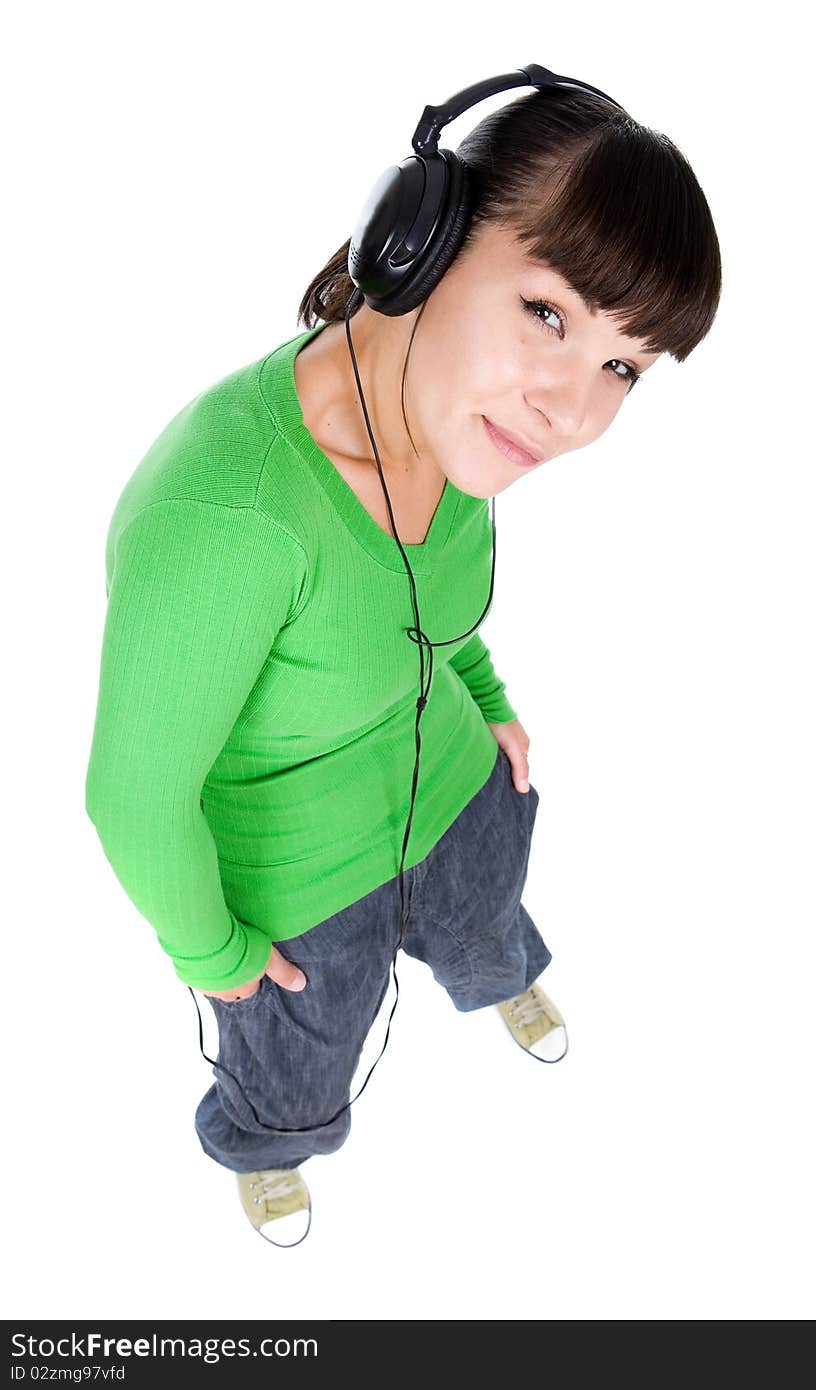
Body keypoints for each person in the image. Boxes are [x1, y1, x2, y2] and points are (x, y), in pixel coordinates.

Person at [84, 83, 721, 1248]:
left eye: (624, 369)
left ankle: (493, 971)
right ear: (416, 242)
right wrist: (211, 952)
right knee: (300, 1055)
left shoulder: (454, 431)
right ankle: (270, 1140)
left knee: (487, 909)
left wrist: (488, 702)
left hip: (451, 781)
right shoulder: (228, 516)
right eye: (547, 312)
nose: (573, 410)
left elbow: (430, 609)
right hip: (301, 879)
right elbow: (130, 796)